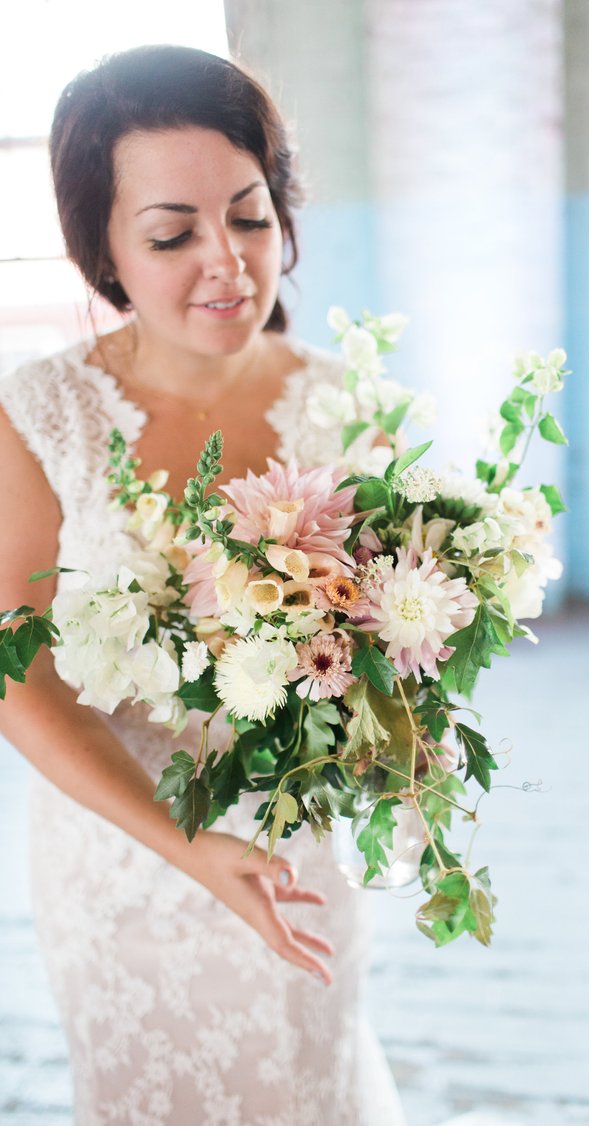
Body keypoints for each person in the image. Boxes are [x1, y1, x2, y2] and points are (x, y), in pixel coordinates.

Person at [0, 44, 405, 1125]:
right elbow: (16, 670)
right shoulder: (45, 414)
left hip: (298, 841)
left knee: (307, 1075)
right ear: (107, 253)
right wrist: (188, 844)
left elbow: (382, 634)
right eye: (173, 233)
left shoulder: (341, 398)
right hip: (124, 860)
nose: (227, 263)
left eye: (251, 215)